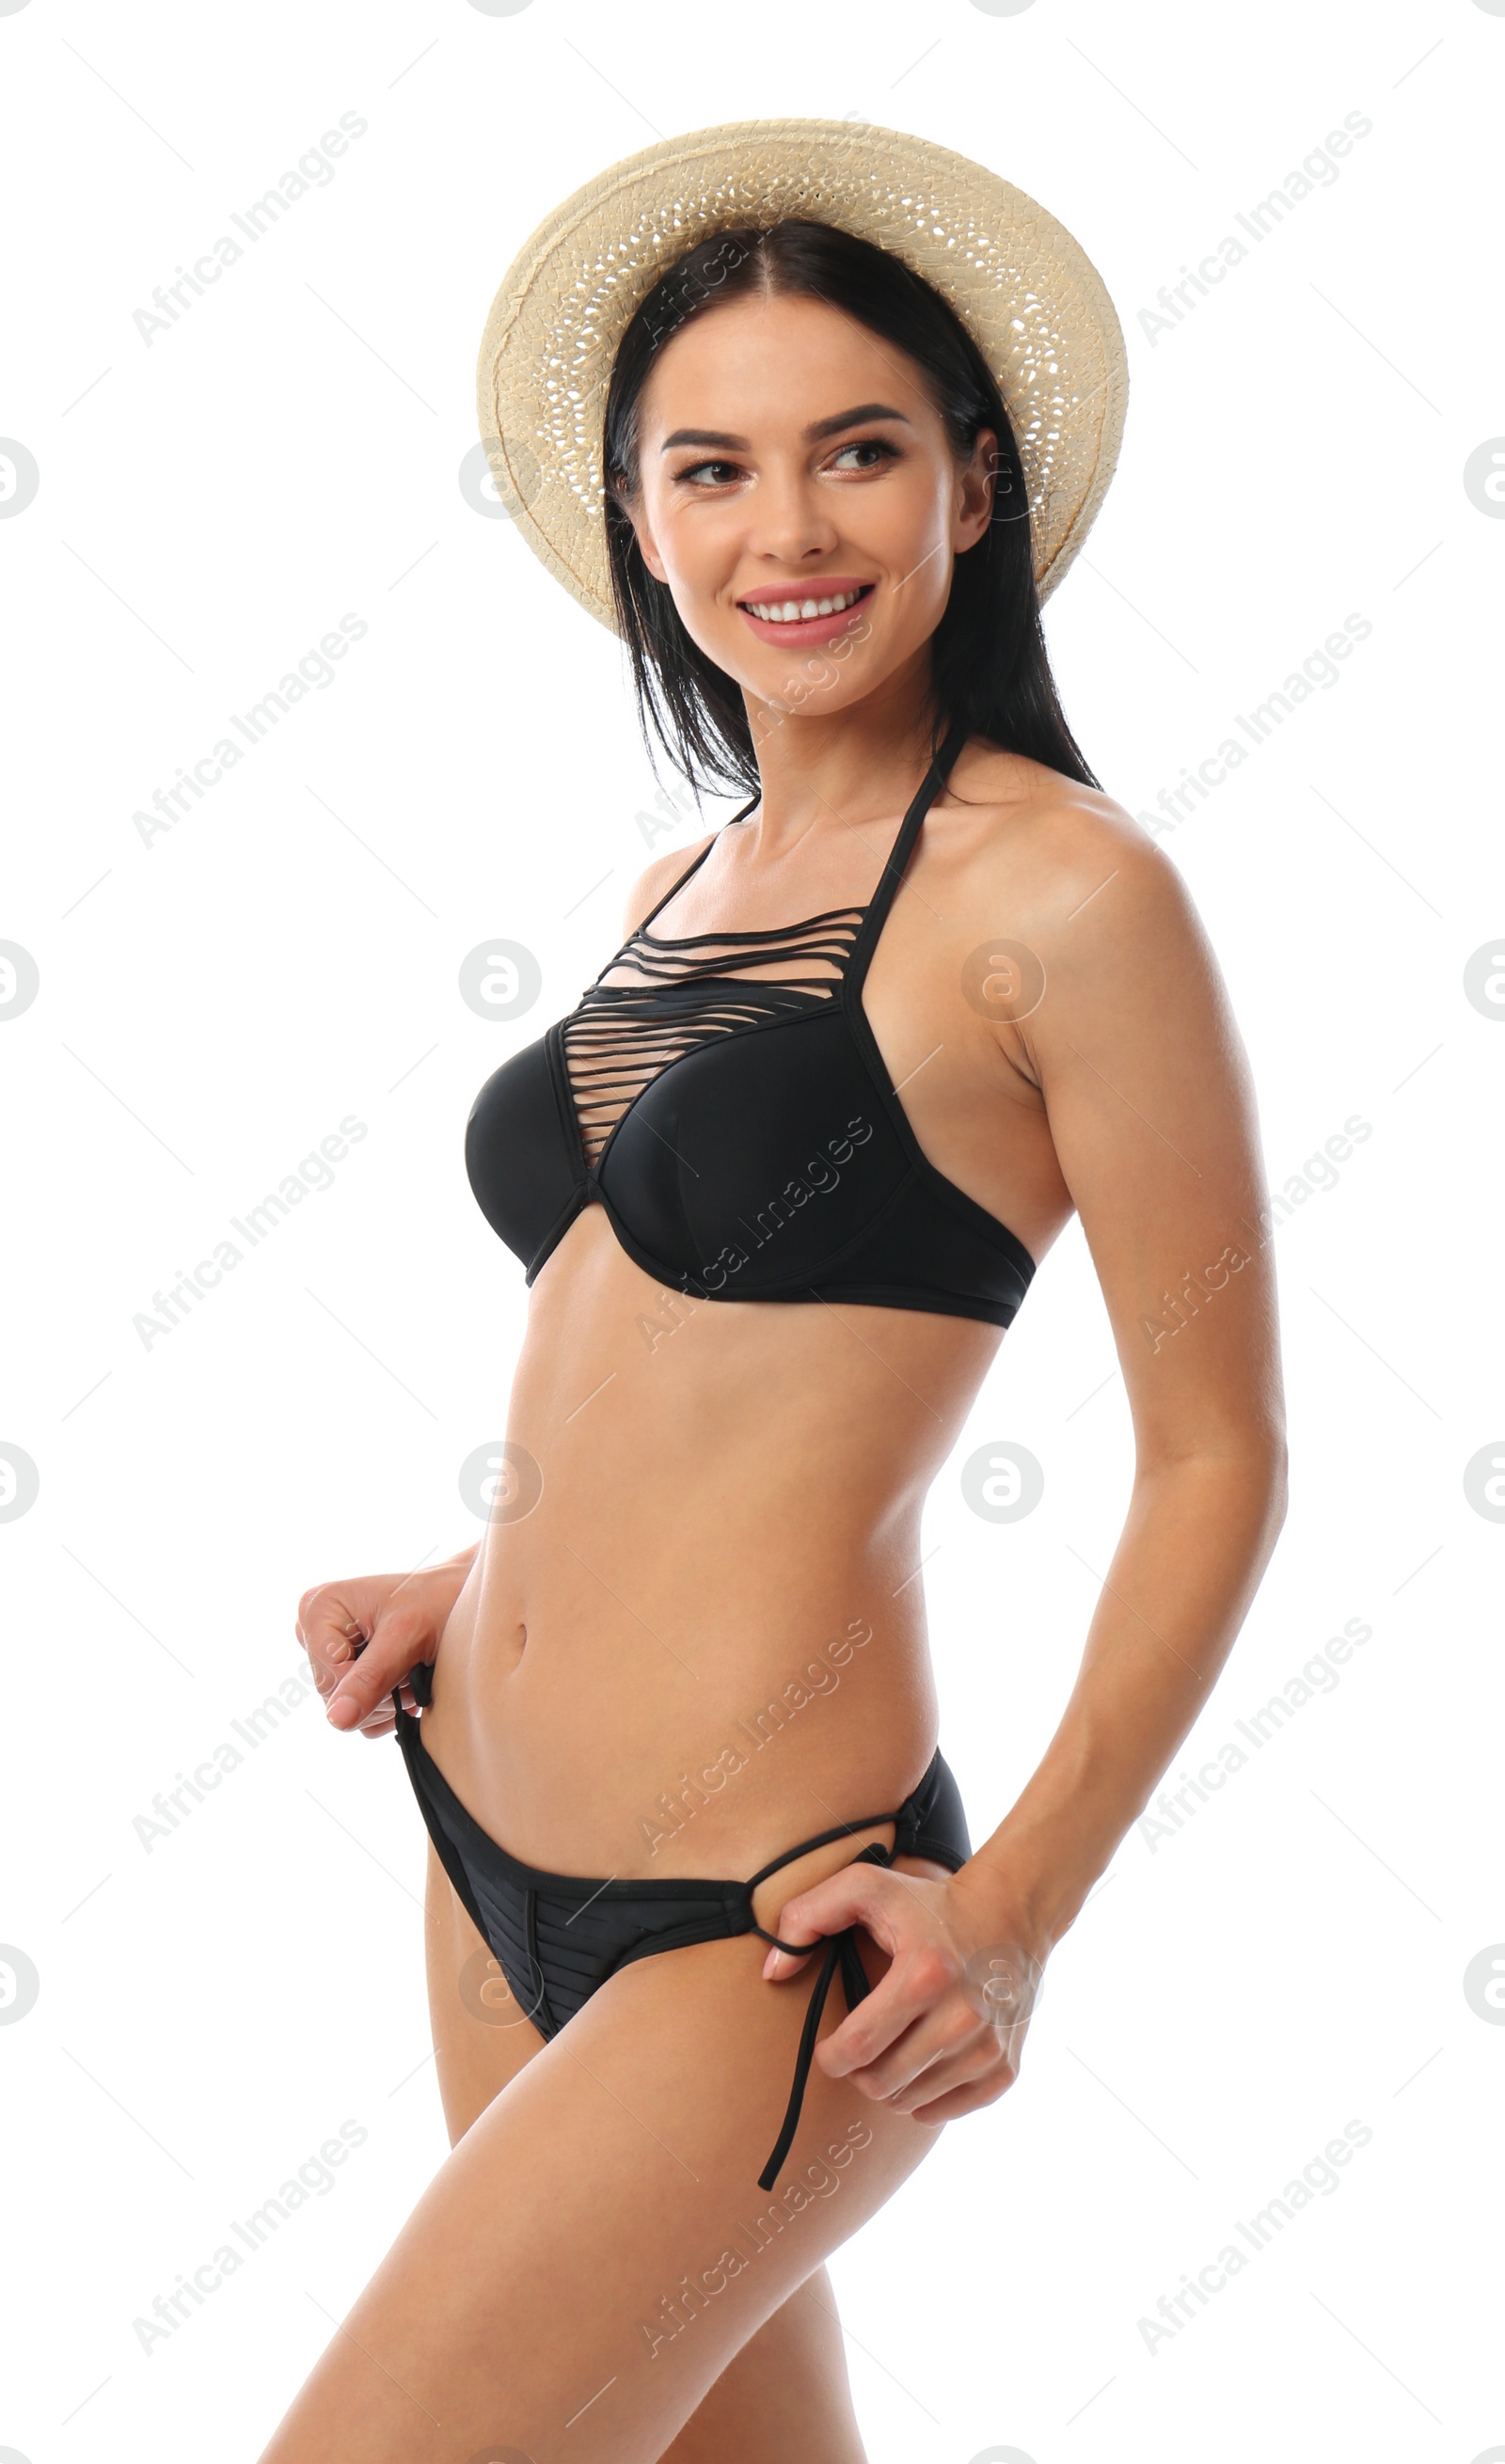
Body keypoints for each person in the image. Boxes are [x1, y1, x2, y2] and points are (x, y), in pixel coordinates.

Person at [267, 120, 1286, 2464]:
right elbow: (680, 1361)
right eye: (709, 469)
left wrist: (1012, 1904)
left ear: (972, 478)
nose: (784, 530)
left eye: (854, 453)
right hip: (479, 1840)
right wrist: (474, 1578)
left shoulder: (1063, 894)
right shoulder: (683, 874)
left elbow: (1219, 1449)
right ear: (638, 514)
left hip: (764, 1937)